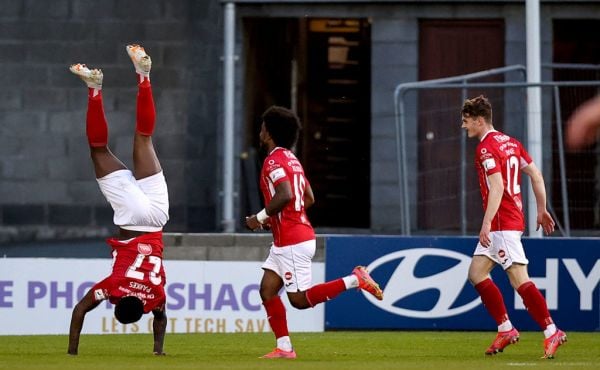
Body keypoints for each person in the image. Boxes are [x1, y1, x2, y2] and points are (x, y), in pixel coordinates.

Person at [245, 106, 384, 359]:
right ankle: (285, 348)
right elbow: (308, 197)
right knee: (267, 290)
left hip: (291, 240)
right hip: (290, 236)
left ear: (270, 132)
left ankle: (355, 280)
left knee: (298, 300)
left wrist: (260, 218)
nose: (260, 130)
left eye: (264, 126)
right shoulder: (292, 159)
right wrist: (278, 218)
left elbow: (286, 194)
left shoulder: (273, 160)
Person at [67, 44, 169, 356]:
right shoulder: (112, 288)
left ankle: (144, 78)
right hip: (132, 218)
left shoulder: (155, 296)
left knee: (144, 137)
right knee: (98, 149)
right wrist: (72, 351)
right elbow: (80, 310)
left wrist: (158, 350)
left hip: (159, 214)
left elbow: (161, 319)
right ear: (117, 304)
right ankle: (94, 90)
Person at [460, 95, 567, 359]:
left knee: (520, 280)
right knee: (476, 273)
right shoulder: (511, 143)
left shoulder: (485, 148)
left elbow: (497, 186)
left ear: (479, 120)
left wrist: (485, 223)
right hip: (509, 220)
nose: (463, 127)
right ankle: (506, 328)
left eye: (466, 121)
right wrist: (541, 209)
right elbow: (536, 175)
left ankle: (552, 331)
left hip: (501, 224)